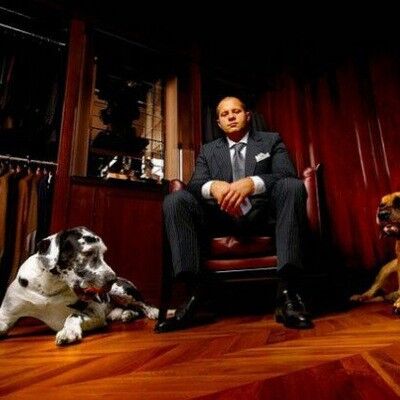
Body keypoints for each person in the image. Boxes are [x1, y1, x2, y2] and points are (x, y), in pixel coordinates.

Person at [155, 96, 313, 333]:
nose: (230, 116)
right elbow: (195, 185)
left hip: (262, 217)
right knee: (175, 199)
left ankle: (287, 294)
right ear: (219, 122)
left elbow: (285, 174)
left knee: (292, 185)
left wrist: (252, 183)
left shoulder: (271, 141)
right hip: (219, 218)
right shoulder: (209, 150)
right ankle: (193, 294)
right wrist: (214, 187)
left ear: (247, 116)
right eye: (224, 114)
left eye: (236, 111)